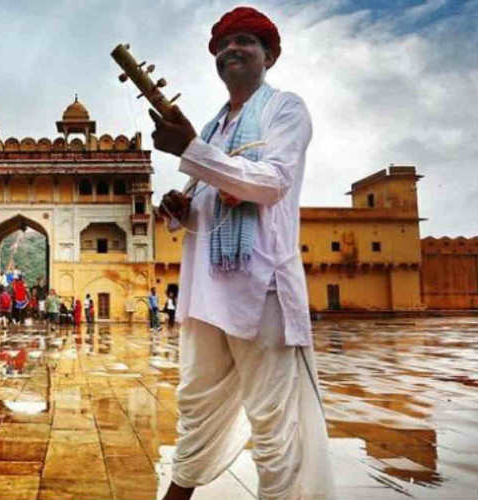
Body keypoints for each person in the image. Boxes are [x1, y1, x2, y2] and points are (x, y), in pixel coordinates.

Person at [149, 7, 333, 499]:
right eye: (223, 45)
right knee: (195, 405)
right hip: (207, 289)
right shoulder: (213, 128)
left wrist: (189, 147)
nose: (232, 50)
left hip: (261, 288)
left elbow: (271, 183)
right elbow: (212, 197)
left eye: (245, 42)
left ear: (268, 54)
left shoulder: (285, 109)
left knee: (273, 423)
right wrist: (181, 208)